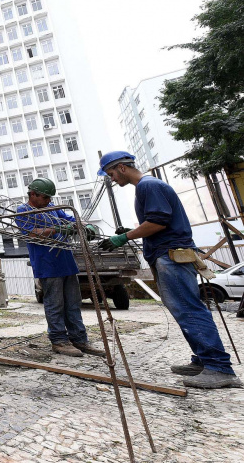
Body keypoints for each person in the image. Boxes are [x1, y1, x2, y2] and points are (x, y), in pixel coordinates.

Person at [97, 151, 242, 389]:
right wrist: (132, 231)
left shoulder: (148, 186)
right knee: (185, 310)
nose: (112, 179)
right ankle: (204, 360)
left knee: (189, 310)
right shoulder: (147, 187)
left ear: (122, 168)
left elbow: (158, 222)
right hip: (168, 254)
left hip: (171, 256)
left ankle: (219, 367)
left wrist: (124, 237)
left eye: (111, 173)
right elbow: (157, 222)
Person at [16, 178, 106, 358]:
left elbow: (72, 220)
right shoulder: (23, 211)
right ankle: (59, 341)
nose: (48, 200)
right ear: (33, 194)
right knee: (55, 304)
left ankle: (79, 339)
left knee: (73, 303)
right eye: (45, 197)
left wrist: (84, 226)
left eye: (50, 197)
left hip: (66, 262)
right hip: (47, 264)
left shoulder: (53, 208)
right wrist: (59, 229)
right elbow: (33, 234)